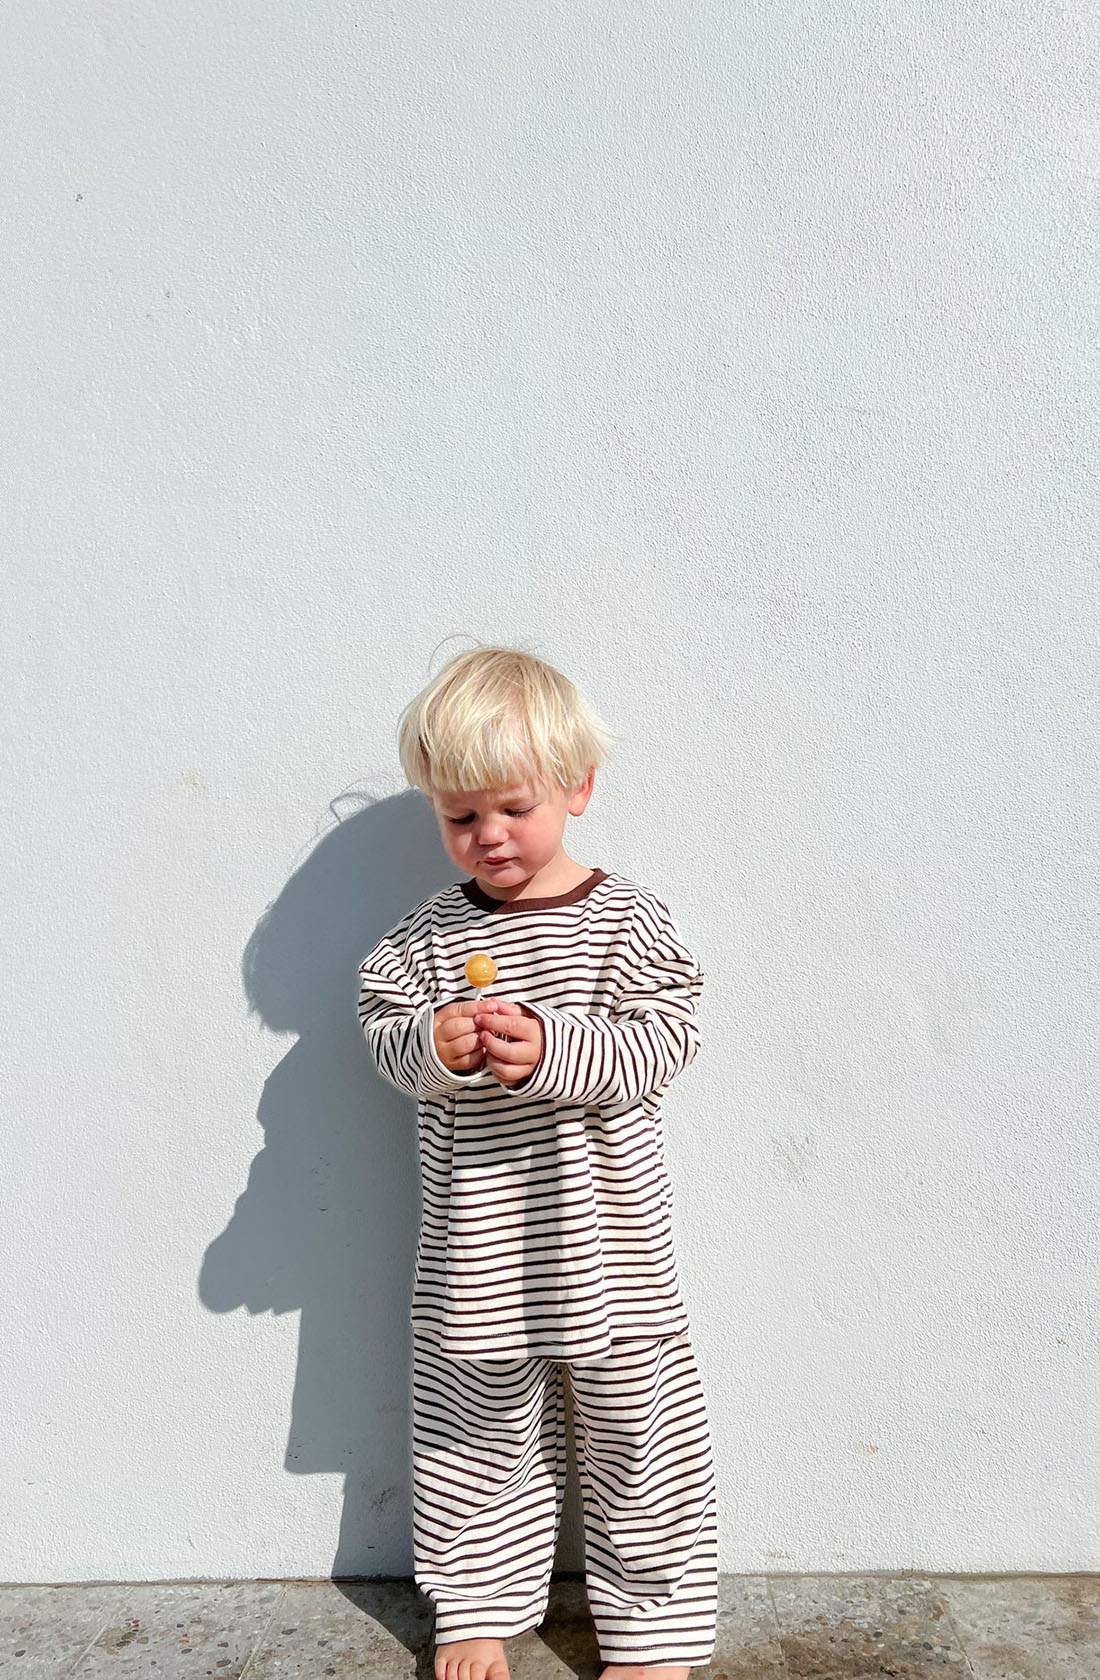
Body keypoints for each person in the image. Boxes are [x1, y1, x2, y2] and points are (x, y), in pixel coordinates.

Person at [355, 642, 719, 1680]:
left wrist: (553, 1048)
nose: (487, 836)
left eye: (509, 807)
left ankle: (652, 1632)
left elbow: (666, 1039)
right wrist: (435, 1046)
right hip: (477, 1258)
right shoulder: (423, 938)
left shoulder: (626, 921)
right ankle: (475, 1606)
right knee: (472, 1436)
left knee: (641, 1445)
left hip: (609, 1253)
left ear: (577, 787)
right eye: (458, 816)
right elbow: (382, 1034)